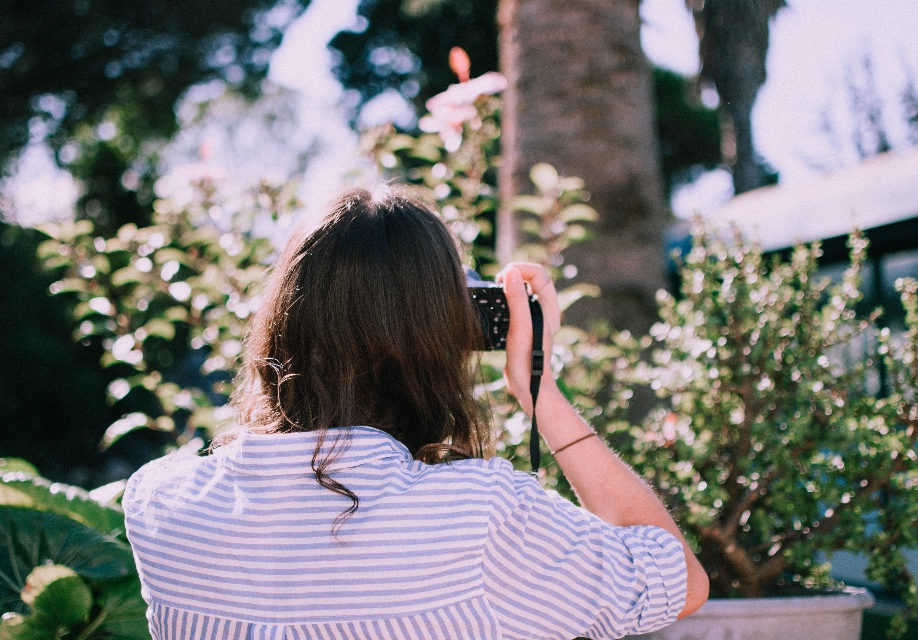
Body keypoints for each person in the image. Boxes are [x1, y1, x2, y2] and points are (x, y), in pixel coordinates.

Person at [123, 186, 709, 640]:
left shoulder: (159, 504)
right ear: (441, 336)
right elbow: (678, 580)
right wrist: (541, 395)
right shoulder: (477, 517)